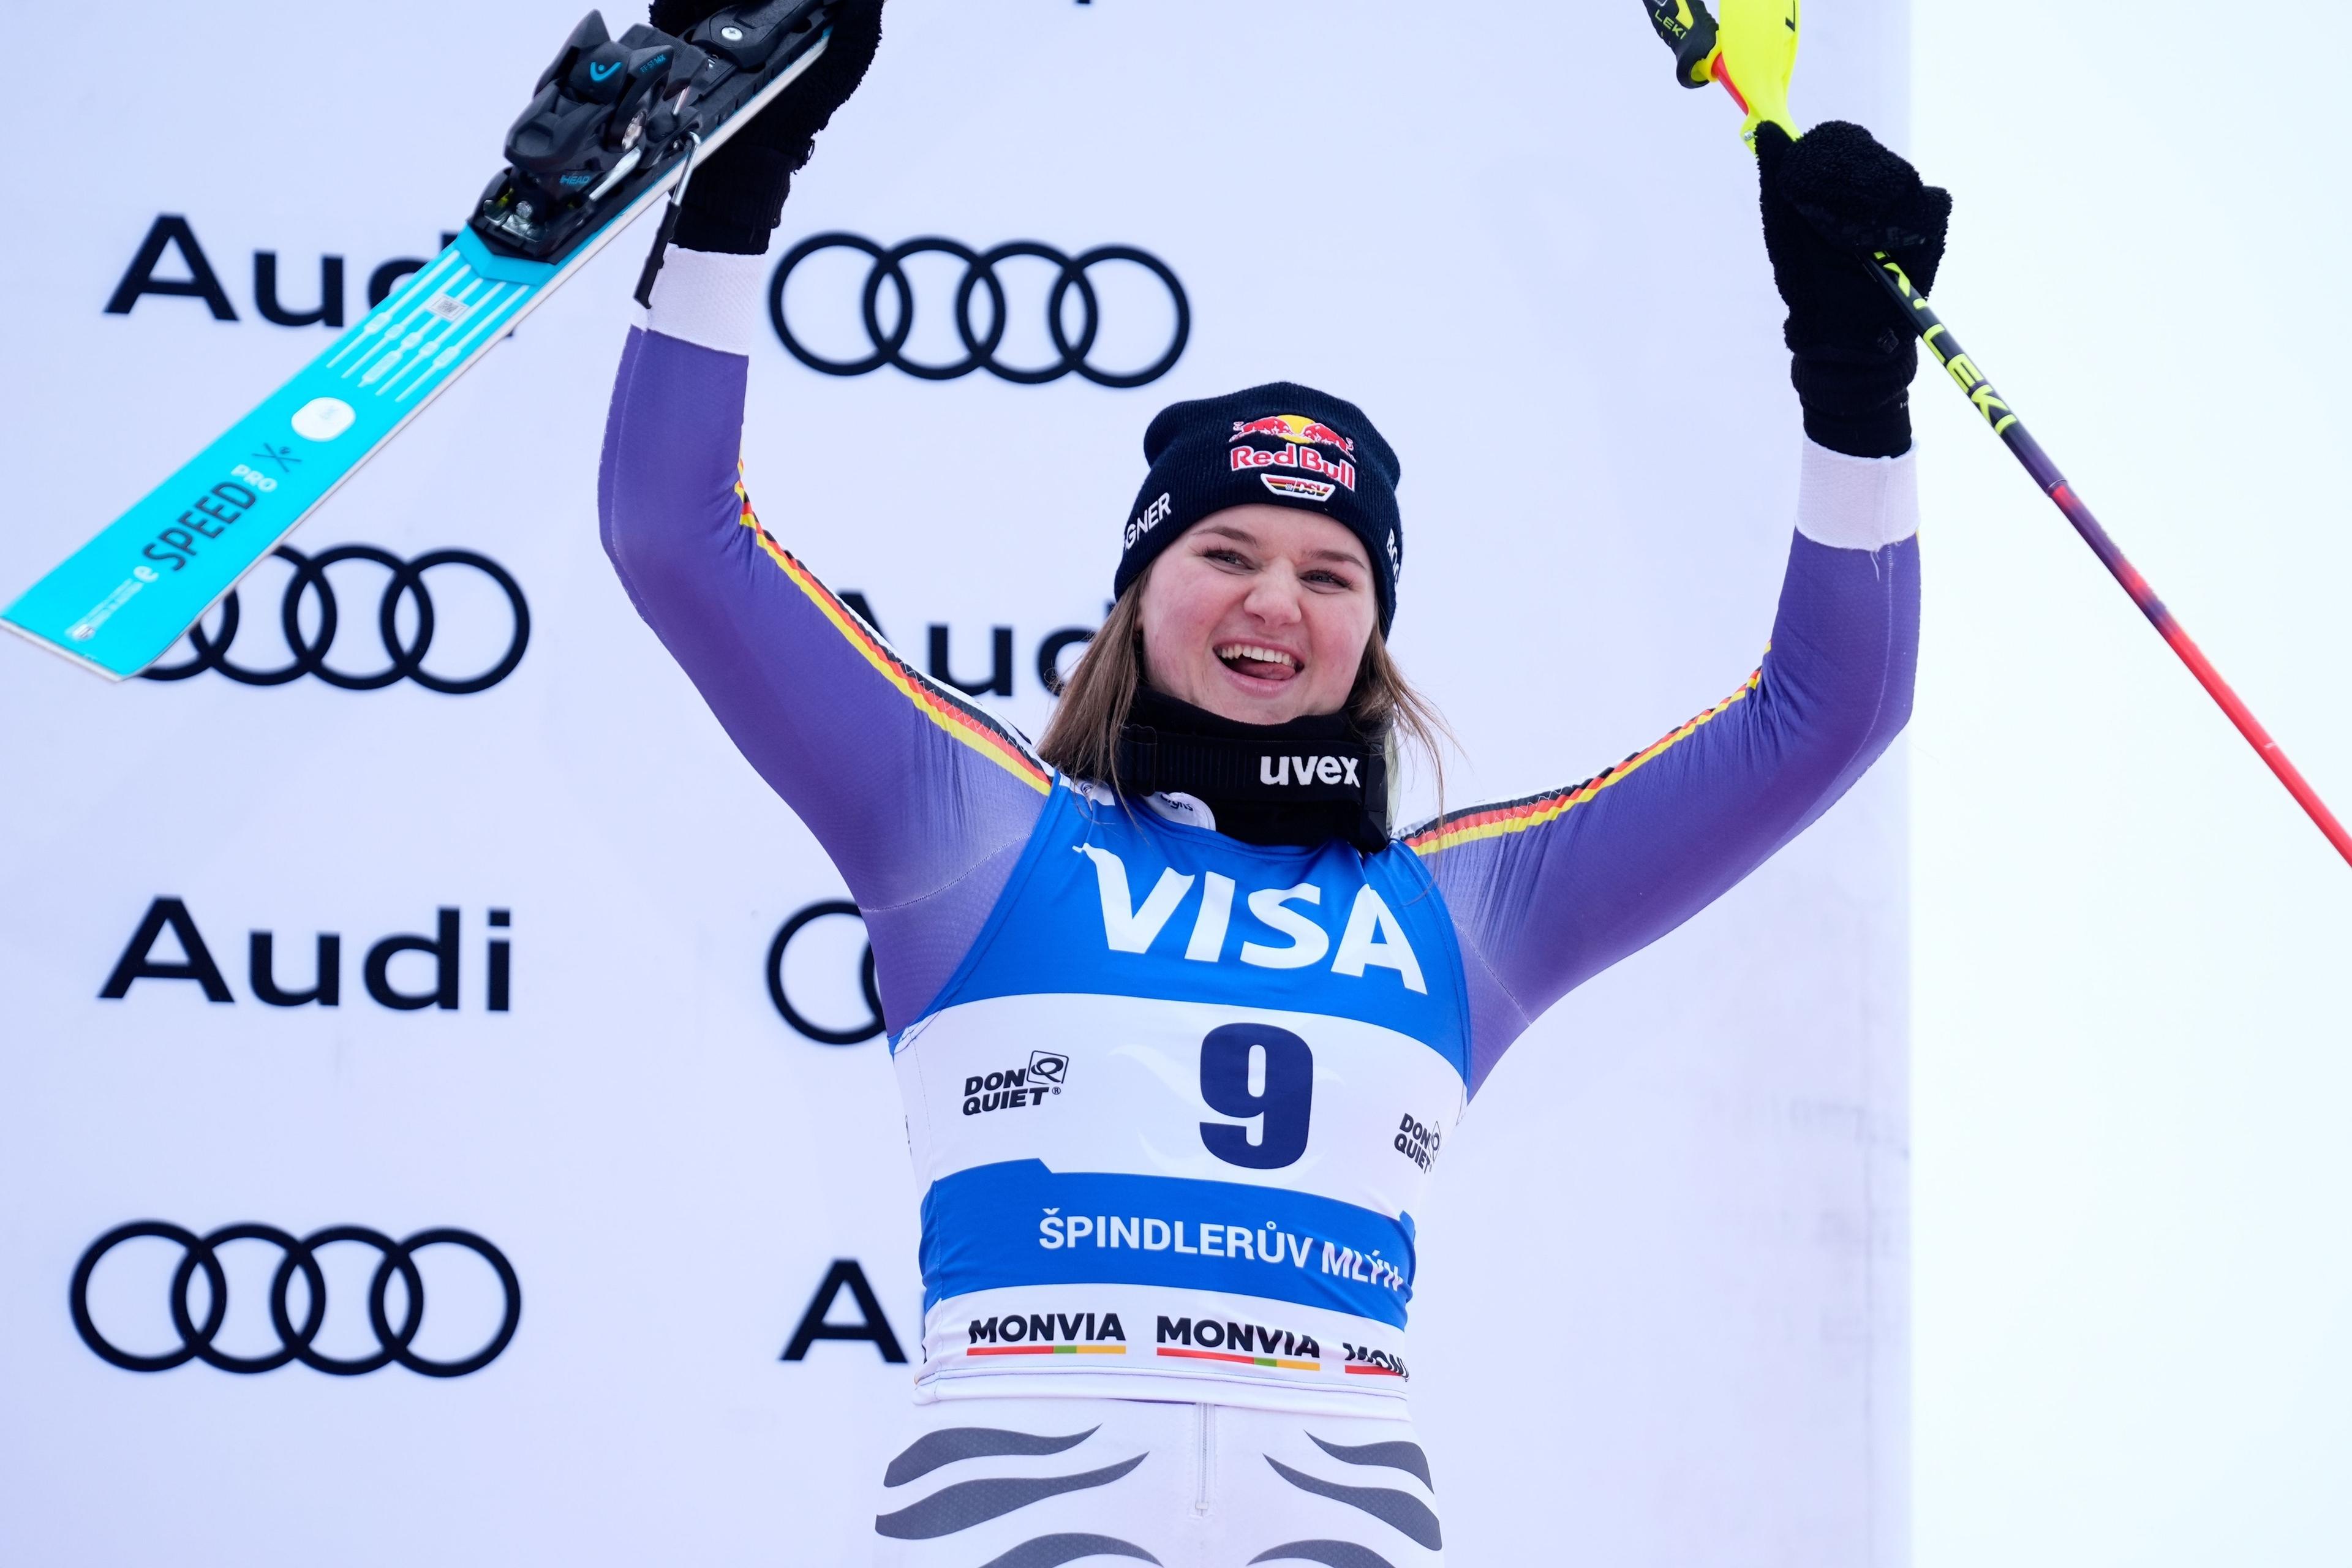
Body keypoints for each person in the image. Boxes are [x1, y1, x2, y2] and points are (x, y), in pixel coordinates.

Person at [602, 4, 1939, 1562]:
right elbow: (671, 531)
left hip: (1341, 1513)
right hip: (1015, 1500)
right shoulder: (968, 827)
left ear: (1373, 632)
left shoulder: (1466, 908)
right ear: (1136, 593)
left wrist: (1856, 391)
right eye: (1223, 551)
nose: (1273, 603)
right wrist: (741, 177)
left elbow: (1835, 708)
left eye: (1329, 572)